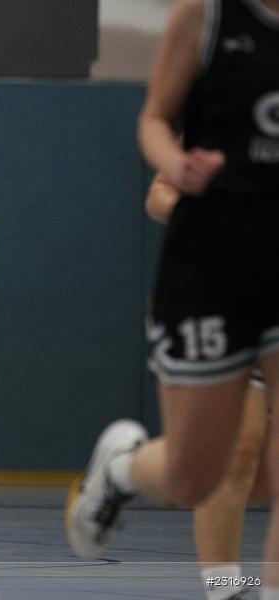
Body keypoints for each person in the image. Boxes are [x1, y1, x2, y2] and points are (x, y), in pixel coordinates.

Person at [66, 0, 279, 595]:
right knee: (208, 471)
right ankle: (121, 471)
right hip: (215, 270)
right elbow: (155, 131)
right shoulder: (210, 19)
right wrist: (180, 173)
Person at [146, 174, 270, 600]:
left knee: (262, 478)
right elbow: (159, 194)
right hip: (227, 300)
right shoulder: (230, 119)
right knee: (238, 452)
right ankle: (225, 586)